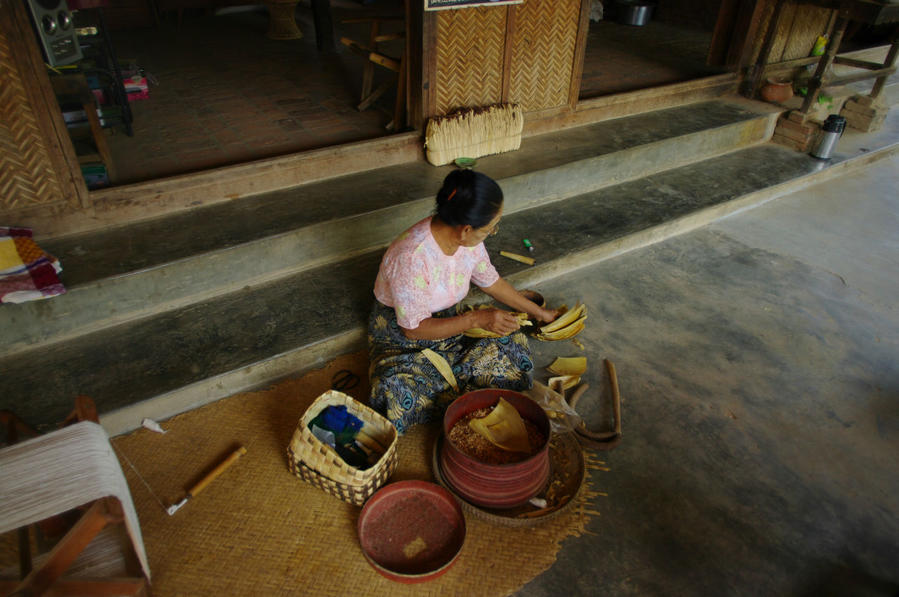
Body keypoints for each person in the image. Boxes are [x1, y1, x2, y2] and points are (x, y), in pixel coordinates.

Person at [368, 169, 557, 433]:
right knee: (396, 396)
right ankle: (464, 393)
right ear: (466, 229)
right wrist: (476, 319)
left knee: (513, 344)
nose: (492, 233)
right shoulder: (411, 256)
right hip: (403, 340)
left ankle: (458, 394)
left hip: (452, 324)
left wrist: (540, 313)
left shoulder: (468, 241)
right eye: (490, 229)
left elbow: (491, 281)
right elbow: (413, 329)